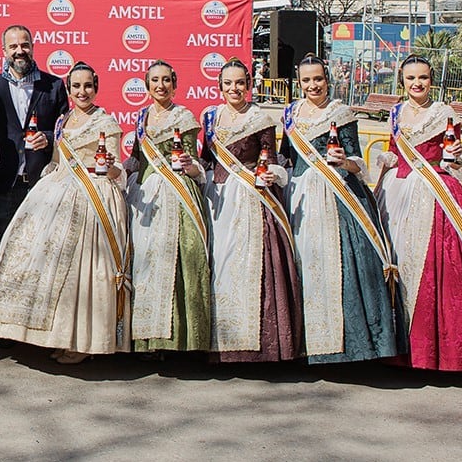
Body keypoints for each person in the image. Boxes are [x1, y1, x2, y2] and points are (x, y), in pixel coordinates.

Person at [0, 63, 132, 363]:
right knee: (41, 258)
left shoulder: (106, 121)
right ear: (69, 90)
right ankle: (54, 334)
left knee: (85, 272)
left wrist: (112, 165)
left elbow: (115, 172)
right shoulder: (63, 122)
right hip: (59, 192)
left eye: (88, 86)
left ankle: (83, 342)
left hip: (95, 198)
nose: (82, 92)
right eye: (76, 86)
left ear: (96, 87)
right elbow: (55, 161)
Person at [375, 55, 462, 372]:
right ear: (401, 81)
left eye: (423, 78)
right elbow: (394, 153)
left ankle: (440, 351)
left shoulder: (444, 112)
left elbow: (452, 159)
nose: (417, 83)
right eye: (410, 78)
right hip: (398, 192)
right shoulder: (396, 113)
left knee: (442, 270)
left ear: (432, 80)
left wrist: (454, 158)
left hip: (435, 190)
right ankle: (399, 347)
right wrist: (383, 160)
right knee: (396, 266)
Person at [280, 55, 402, 365]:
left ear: (327, 79)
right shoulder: (290, 115)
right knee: (304, 264)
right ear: (299, 82)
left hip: (339, 194)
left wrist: (343, 163)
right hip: (302, 198)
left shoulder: (341, 113)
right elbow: (285, 159)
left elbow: (357, 161)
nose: (312, 85)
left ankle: (349, 347)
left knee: (344, 265)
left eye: (318, 79)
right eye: (306, 80)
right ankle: (306, 344)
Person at [202, 59, 303, 363]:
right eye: (228, 83)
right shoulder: (210, 119)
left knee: (252, 264)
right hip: (218, 198)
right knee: (219, 266)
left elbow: (270, 158)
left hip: (251, 196)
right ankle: (217, 344)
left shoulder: (261, 118)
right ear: (220, 87)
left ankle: (257, 347)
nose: (234, 89)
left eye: (240, 83)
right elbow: (206, 160)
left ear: (249, 85)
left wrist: (272, 173)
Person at [124, 60, 212, 354]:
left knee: (181, 258)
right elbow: (136, 159)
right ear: (147, 86)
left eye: (166, 80)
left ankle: (181, 340)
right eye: (154, 81)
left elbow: (192, 159)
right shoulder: (141, 117)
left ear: (174, 84)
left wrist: (191, 167)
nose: (160, 85)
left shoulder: (184, 116)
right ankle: (148, 340)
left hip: (178, 192)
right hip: (147, 192)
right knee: (147, 263)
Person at [0, 26, 68, 284]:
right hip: (6, 184)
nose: (20, 51)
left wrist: (49, 138)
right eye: (14, 46)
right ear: (3, 51)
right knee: (4, 251)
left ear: (33, 47)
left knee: (43, 251)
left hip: (43, 184)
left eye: (24, 45)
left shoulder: (54, 86)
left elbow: (66, 130)